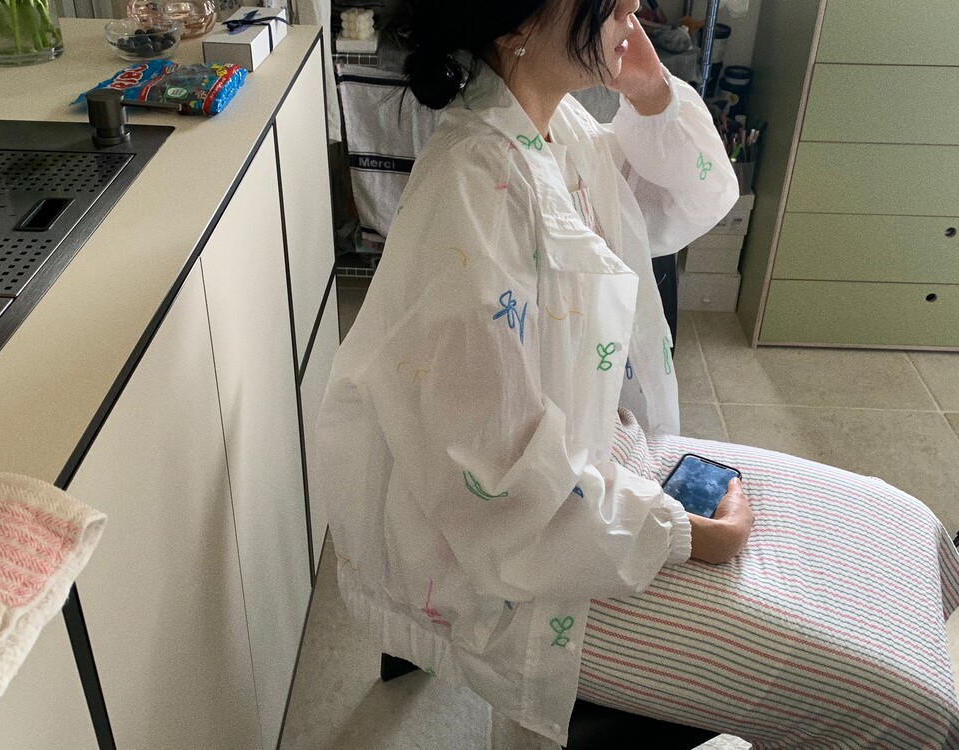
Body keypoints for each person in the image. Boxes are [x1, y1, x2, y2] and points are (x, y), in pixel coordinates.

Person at [315, 1, 959, 747]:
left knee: (904, 525)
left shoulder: (559, 128)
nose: (631, 6)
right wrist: (684, 535)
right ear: (513, 22)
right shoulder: (472, 190)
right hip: (527, 570)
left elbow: (685, 199)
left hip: (594, 475)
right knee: (916, 707)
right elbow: (497, 487)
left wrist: (652, 95)